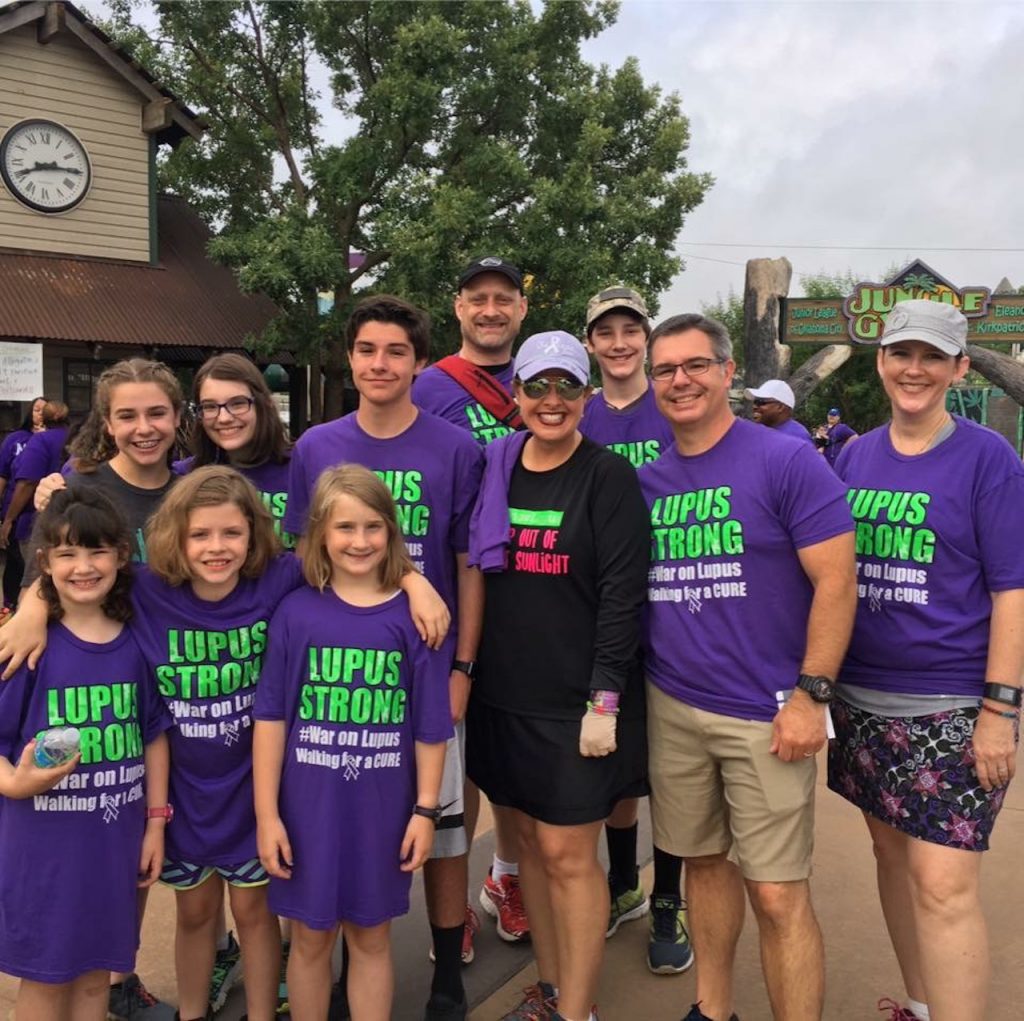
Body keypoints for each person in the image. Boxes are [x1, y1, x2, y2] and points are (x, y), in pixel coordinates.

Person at [638, 313, 857, 1021]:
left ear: (728, 373)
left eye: (695, 364)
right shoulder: (646, 480)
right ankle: (713, 1007)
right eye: (666, 369)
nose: (681, 380)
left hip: (767, 710)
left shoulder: (785, 459)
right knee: (702, 865)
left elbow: (836, 580)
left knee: (777, 891)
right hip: (673, 702)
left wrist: (811, 694)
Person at [285, 294, 483, 1020]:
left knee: (439, 821)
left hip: (427, 659)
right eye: (367, 349)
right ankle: (333, 976)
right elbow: (305, 551)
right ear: (350, 358)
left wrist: (463, 664)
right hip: (342, 665)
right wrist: (405, 574)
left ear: (419, 362)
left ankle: (447, 968)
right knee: (338, 811)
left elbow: (468, 562)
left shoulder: (455, 448)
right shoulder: (316, 447)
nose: (380, 363)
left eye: (396, 351)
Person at [827, 299, 1024, 1021]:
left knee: (943, 885)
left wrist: (1001, 710)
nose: (915, 368)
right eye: (901, 353)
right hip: (862, 697)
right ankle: (919, 1003)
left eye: (932, 356)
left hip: (952, 704)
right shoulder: (853, 455)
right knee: (892, 858)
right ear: (881, 362)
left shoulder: (989, 459)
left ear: (958, 368)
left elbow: (1013, 591)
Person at [467, 330, 649, 1021]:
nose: (551, 400)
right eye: (537, 385)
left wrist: (604, 698)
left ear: (587, 395)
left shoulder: (608, 477)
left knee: (570, 856)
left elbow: (622, 596)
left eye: (566, 386)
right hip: (503, 695)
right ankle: (549, 989)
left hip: (579, 704)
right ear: (515, 394)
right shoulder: (495, 465)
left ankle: (578, 1010)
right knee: (534, 856)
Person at [254, 464, 451, 1021]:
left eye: (372, 527)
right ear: (319, 533)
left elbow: (430, 726)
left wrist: (425, 811)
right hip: (305, 810)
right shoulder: (295, 613)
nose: (359, 541)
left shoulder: (415, 620)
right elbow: (272, 718)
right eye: (344, 528)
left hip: (383, 811)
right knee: (310, 941)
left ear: (391, 530)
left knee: (371, 939)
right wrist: (267, 815)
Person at [0, 488, 171, 1021]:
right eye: (67, 554)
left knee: (97, 980)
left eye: (96, 552)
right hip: (44, 849)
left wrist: (155, 825)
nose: (83, 566)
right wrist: (13, 784)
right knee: (48, 982)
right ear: (45, 562)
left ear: (122, 556)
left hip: (113, 844)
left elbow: (152, 734)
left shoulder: (134, 641)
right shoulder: (29, 646)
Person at [137, 466, 299, 1021]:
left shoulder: (280, 578)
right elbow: (71, 573)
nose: (217, 547)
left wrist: (417, 583)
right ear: (175, 537)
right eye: (200, 534)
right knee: (195, 913)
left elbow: (360, 560)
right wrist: (31, 610)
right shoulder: (146, 590)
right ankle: (191, 1013)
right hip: (182, 790)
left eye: (232, 533)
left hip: (253, 787)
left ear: (254, 533)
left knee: (256, 915)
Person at [413, 256, 532, 949]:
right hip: (453, 594)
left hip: (534, 593)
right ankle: (449, 905)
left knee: (511, 753)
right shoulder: (429, 387)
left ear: (521, 308)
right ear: (458, 306)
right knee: (454, 757)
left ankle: (506, 873)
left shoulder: (550, 380)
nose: (490, 309)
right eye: (477, 298)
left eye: (504, 299)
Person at [578, 285, 689, 971]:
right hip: (598, 613)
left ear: (646, 335)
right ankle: (624, 884)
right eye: (605, 332)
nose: (618, 342)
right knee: (615, 768)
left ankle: (669, 895)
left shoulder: (676, 403)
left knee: (672, 772)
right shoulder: (578, 411)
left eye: (630, 329)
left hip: (675, 611)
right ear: (590, 342)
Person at [177, 353, 296, 550]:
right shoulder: (185, 477)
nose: (224, 417)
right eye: (210, 406)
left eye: (238, 403)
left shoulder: (302, 467)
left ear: (264, 403)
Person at [0, 400, 70, 568]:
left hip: (35, 521)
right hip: (70, 518)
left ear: (43, 419)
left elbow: (27, 482)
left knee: (30, 577)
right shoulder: (74, 437)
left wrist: (9, 519)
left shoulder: (40, 440)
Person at [0, 397, 46, 608]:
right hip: (15, 512)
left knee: (36, 566)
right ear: (30, 413)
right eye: (36, 410)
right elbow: (3, 475)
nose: (40, 414)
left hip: (41, 513)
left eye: (45, 410)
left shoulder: (54, 439)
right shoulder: (15, 439)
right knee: (14, 562)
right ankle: (10, 605)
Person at [744, 380, 814, 445]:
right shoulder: (759, 432)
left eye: (761, 402)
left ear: (780, 407)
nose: (754, 407)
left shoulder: (797, 437)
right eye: (755, 402)